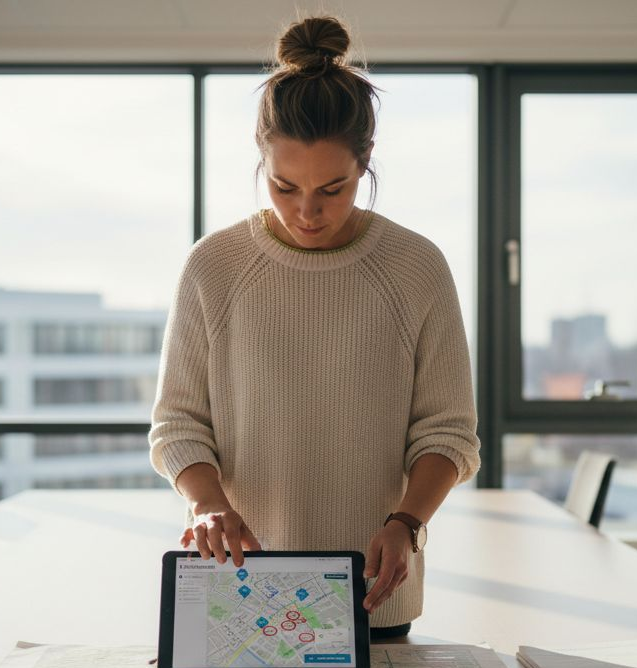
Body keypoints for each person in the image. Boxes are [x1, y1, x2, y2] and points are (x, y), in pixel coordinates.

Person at [148, 16, 480, 636]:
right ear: (261, 159)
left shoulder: (416, 267)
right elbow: (178, 426)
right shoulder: (213, 267)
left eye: (333, 187)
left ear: (366, 161)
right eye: (284, 185)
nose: (307, 212)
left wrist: (407, 523)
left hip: (373, 594)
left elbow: (448, 432)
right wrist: (208, 505)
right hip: (243, 592)